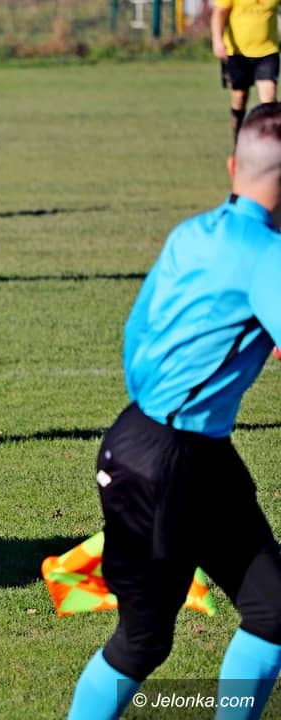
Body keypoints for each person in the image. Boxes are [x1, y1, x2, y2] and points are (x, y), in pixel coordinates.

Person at [66, 103, 281, 720]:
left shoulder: (192, 233)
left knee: (272, 610)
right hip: (164, 463)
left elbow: (137, 332)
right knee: (143, 641)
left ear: (233, 166)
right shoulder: (268, 256)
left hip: (177, 446)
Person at [211, 0, 280, 144]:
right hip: (237, 53)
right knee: (239, 98)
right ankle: (238, 143)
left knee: (269, 102)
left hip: (268, 51)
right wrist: (217, 40)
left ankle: (269, 145)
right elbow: (219, 12)